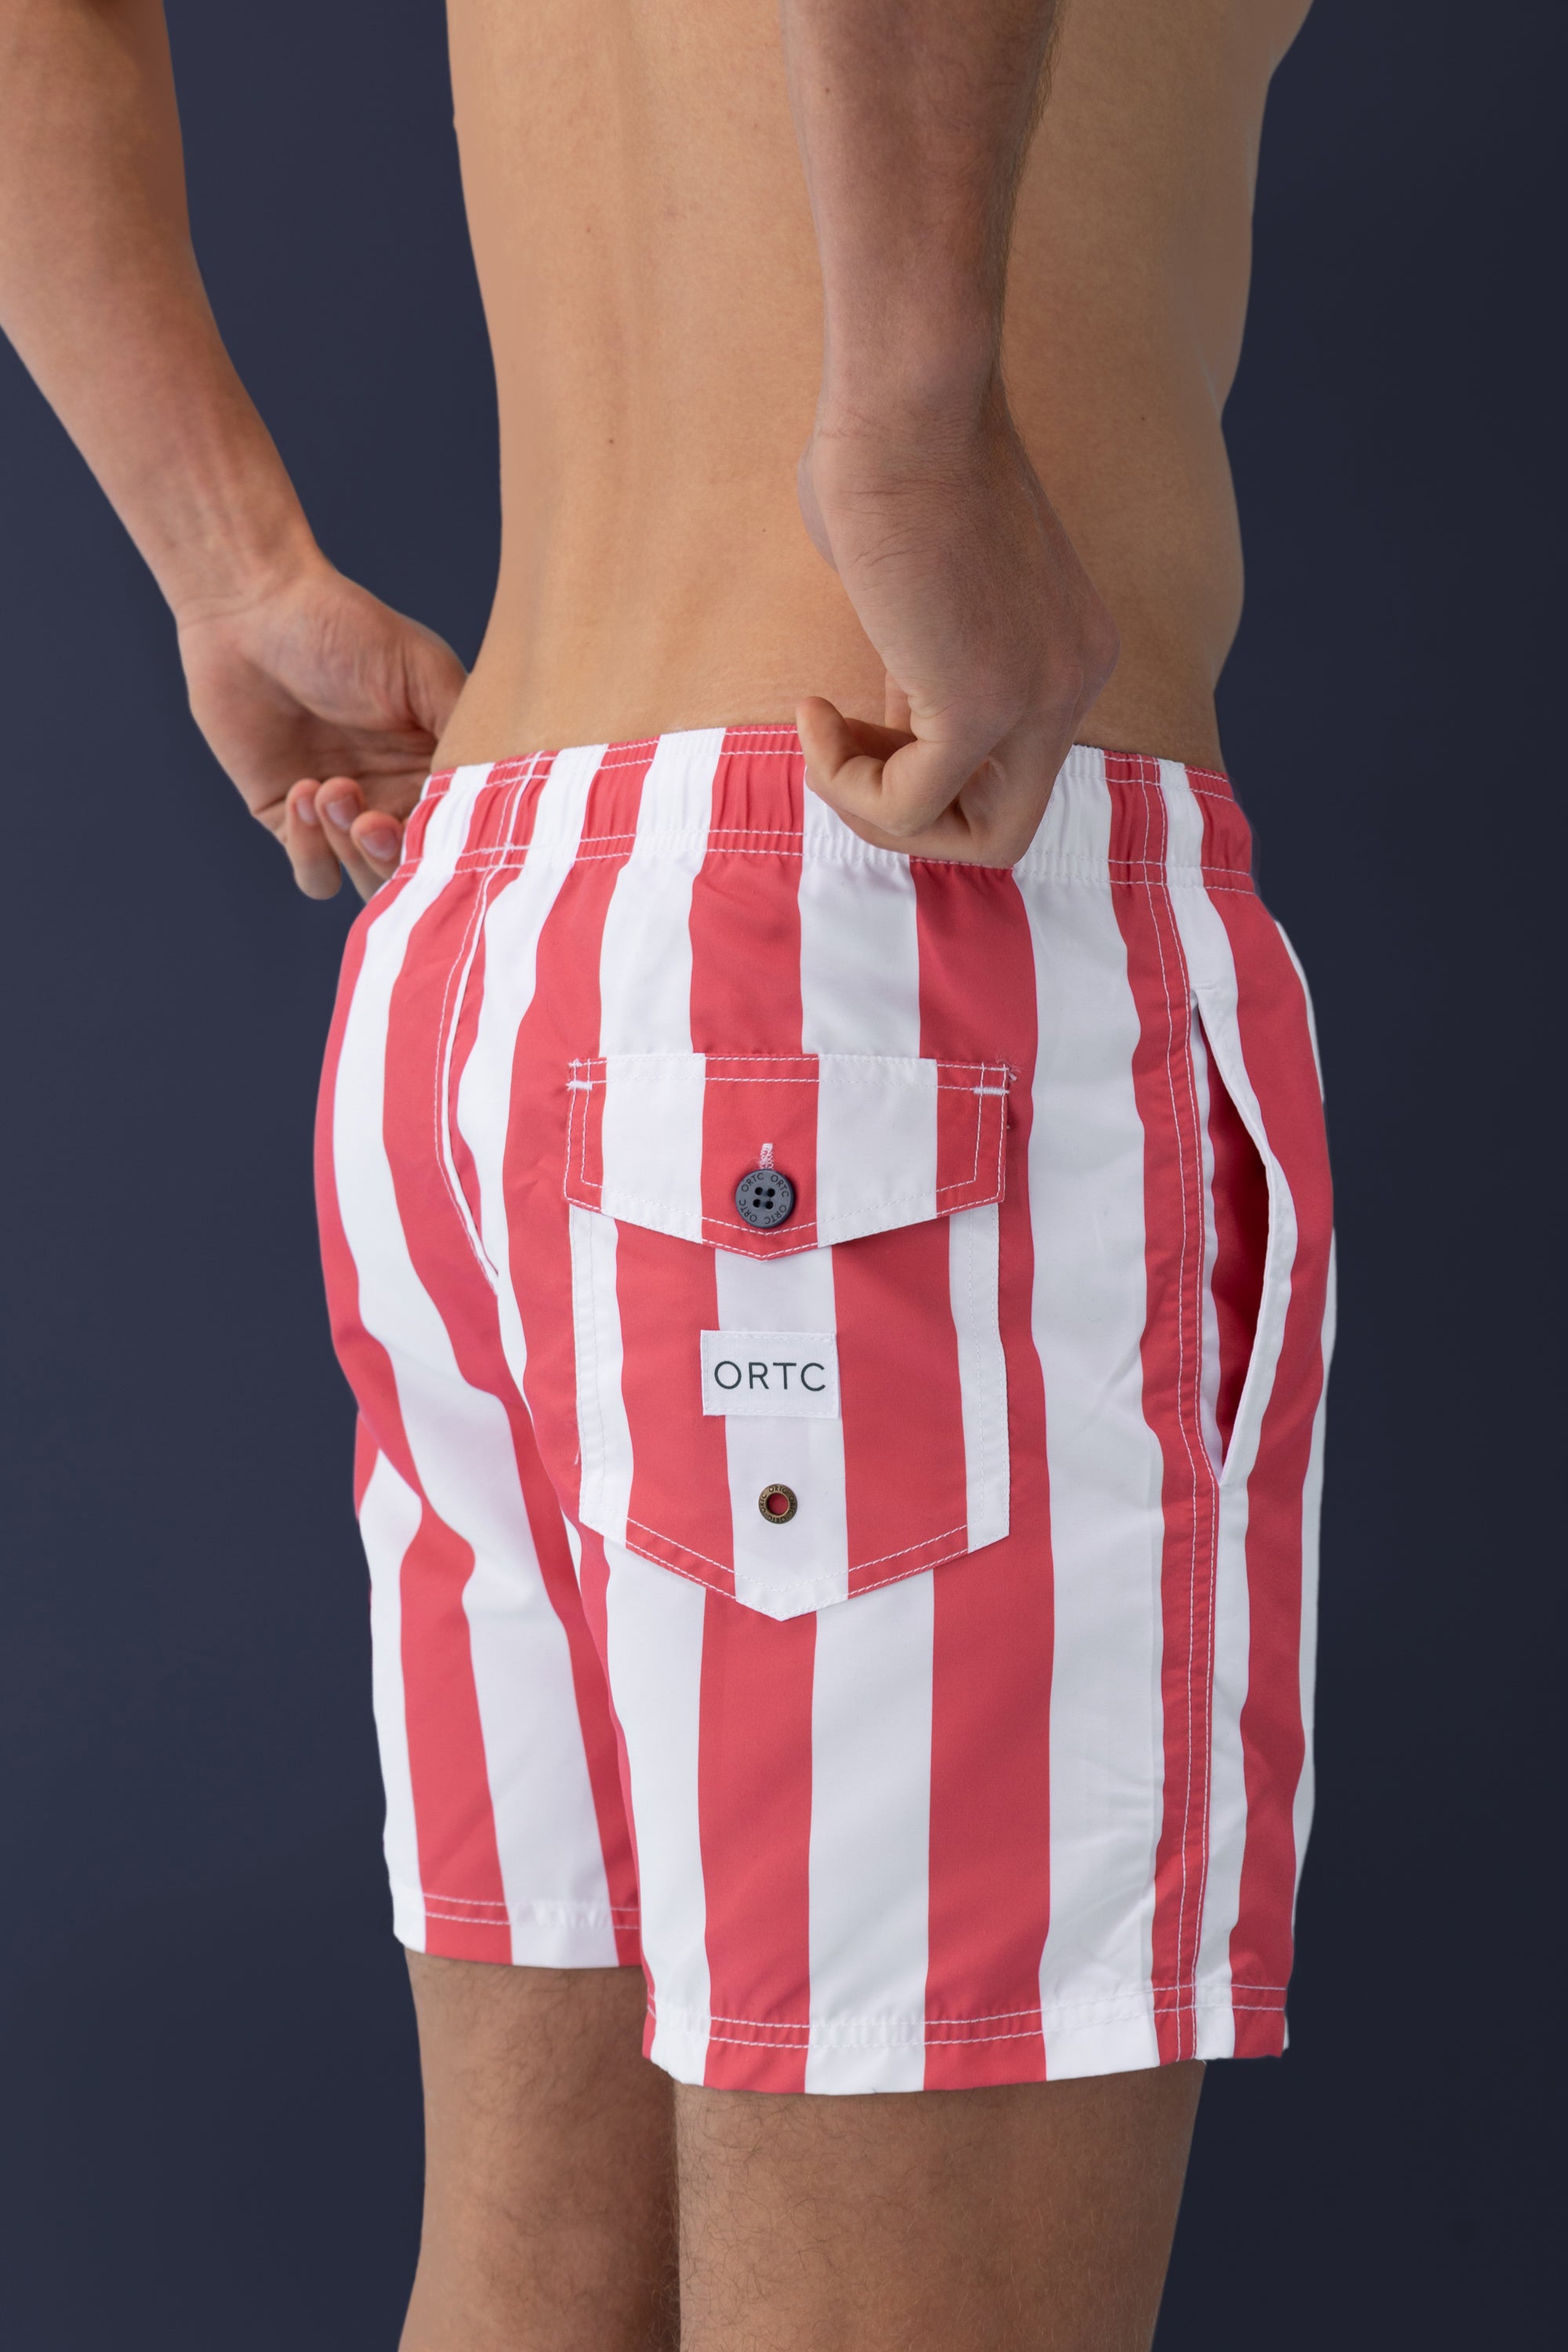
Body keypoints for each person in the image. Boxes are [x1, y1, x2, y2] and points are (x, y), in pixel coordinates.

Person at [0, 0, 1333, 2343]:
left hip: (502, 939)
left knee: (542, 2279)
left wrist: (230, 564)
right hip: (892, 919)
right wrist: (912, 437)